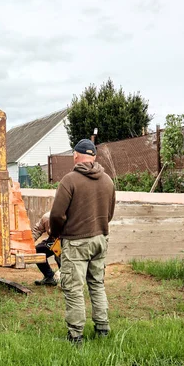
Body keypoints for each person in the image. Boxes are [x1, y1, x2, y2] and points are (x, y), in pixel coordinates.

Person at [48, 139, 116, 345]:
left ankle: (76, 335)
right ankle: (102, 328)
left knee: (74, 287)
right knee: (97, 284)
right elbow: (109, 214)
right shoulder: (108, 181)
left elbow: (57, 215)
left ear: (75, 156)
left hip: (76, 242)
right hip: (100, 239)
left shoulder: (69, 181)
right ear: (94, 157)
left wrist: (56, 234)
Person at [32, 211, 61, 286]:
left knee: (60, 256)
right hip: (53, 239)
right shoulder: (46, 217)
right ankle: (49, 278)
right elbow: (37, 230)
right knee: (37, 251)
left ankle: (67, 280)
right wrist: (29, 243)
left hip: (67, 240)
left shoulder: (70, 218)